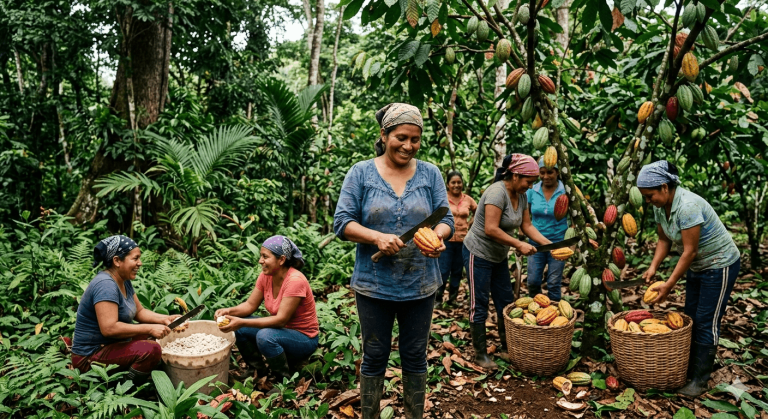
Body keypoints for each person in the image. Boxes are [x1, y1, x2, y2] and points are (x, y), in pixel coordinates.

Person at [333, 103, 454, 419]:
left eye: (415, 139)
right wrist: (376, 237)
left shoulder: (430, 173)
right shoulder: (361, 173)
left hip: (420, 283)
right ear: (384, 135)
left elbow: (446, 218)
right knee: (374, 354)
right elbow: (342, 222)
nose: (408, 146)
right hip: (374, 284)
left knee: (415, 355)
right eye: (401, 137)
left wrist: (438, 237)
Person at [637, 160, 741, 398]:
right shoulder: (660, 205)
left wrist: (668, 285)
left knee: (706, 320)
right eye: (645, 197)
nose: (648, 201)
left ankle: (700, 380)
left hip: (720, 263)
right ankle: (690, 367)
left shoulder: (688, 206)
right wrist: (653, 268)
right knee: (690, 316)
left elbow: (689, 251)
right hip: (697, 264)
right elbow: (664, 240)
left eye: (650, 195)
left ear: (665, 187)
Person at [462, 154, 552, 369]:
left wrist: (550, 245)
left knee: (506, 302)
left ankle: (506, 347)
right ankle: (480, 354)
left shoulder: (522, 196)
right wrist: (518, 244)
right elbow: (490, 229)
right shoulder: (496, 193)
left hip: (499, 256)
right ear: (515, 176)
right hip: (478, 253)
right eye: (528, 181)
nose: (530, 187)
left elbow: (527, 226)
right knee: (479, 303)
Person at [71, 235, 181, 384]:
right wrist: (150, 328)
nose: (140, 263)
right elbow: (109, 328)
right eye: (135, 258)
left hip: (111, 345)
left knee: (156, 336)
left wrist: (166, 319)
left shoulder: (123, 280)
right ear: (117, 261)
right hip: (90, 356)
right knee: (151, 349)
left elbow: (139, 312)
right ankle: (124, 387)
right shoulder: (105, 285)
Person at [215, 235, 319, 386]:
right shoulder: (266, 276)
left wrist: (241, 321)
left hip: (303, 338)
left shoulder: (295, 281)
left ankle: (284, 382)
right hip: (281, 331)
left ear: (281, 260)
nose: (260, 261)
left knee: (265, 336)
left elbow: (281, 320)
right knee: (240, 328)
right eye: (261, 256)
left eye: (265, 256)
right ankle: (257, 371)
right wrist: (228, 311)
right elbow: (250, 305)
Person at [526, 158, 569, 302]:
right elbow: (524, 215)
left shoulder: (566, 191)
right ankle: (536, 309)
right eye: (542, 173)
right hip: (535, 243)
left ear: (557, 172)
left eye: (550, 172)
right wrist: (520, 237)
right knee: (533, 281)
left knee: (553, 283)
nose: (545, 176)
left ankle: (555, 311)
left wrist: (572, 243)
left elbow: (576, 216)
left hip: (558, 243)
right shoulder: (532, 190)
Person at [436, 170, 477, 307]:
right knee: (443, 270)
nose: (456, 185)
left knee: (457, 271)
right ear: (448, 184)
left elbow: (478, 211)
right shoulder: (442, 198)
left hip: (462, 241)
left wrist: (470, 224)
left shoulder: (468, 199)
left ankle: (452, 299)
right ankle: (437, 299)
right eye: (453, 182)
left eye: (459, 182)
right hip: (445, 241)